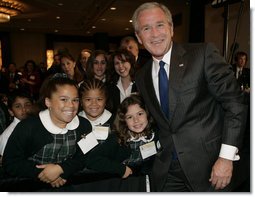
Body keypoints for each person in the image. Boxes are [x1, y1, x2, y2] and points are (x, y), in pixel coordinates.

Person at [132, 2, 247, 192]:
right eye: (146, 28)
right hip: (167, 170)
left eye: (160, 25)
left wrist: (226, 157)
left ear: (171, 28)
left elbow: (235, 104)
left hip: (211, 167)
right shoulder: (141, 76)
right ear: (139, 37)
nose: (154, 34)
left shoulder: (202, 54)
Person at [2, 74, 92, 188]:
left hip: (70, 184)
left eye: (75, 100)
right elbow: (10, 162)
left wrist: (61, 169)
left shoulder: (84, 125)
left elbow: (87, 157)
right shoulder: (27, 127)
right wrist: (45, 174)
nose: (71, 105)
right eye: (63, 99)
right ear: (48, 102)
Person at [85, 93, 160, 191]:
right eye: (129, 117)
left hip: (149, 184)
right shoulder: (118, 139)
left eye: (140, 114)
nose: (136, 120)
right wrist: (120, 168)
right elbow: (92, 159)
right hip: (123, 186)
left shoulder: (156, 134)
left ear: (147, 113)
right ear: (124, 120)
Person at [78, 78, 114, 143]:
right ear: (81, 101)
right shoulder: (75, 123)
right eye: (88, 99)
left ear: (105, 100)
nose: (94, 104)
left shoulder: (115, 123)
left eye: (99, 99)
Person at [0, 90, 33, 156]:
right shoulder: (8, 136)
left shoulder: (35, 124)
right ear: (11, 111)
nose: (24, 109)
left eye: (27, 105)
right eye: (18, 106)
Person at [108, 49, 138, 114]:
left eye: (123, 61)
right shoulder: (110, 87)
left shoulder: (140, 84)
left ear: (131, 62)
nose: (120, 66)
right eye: (117, 63)